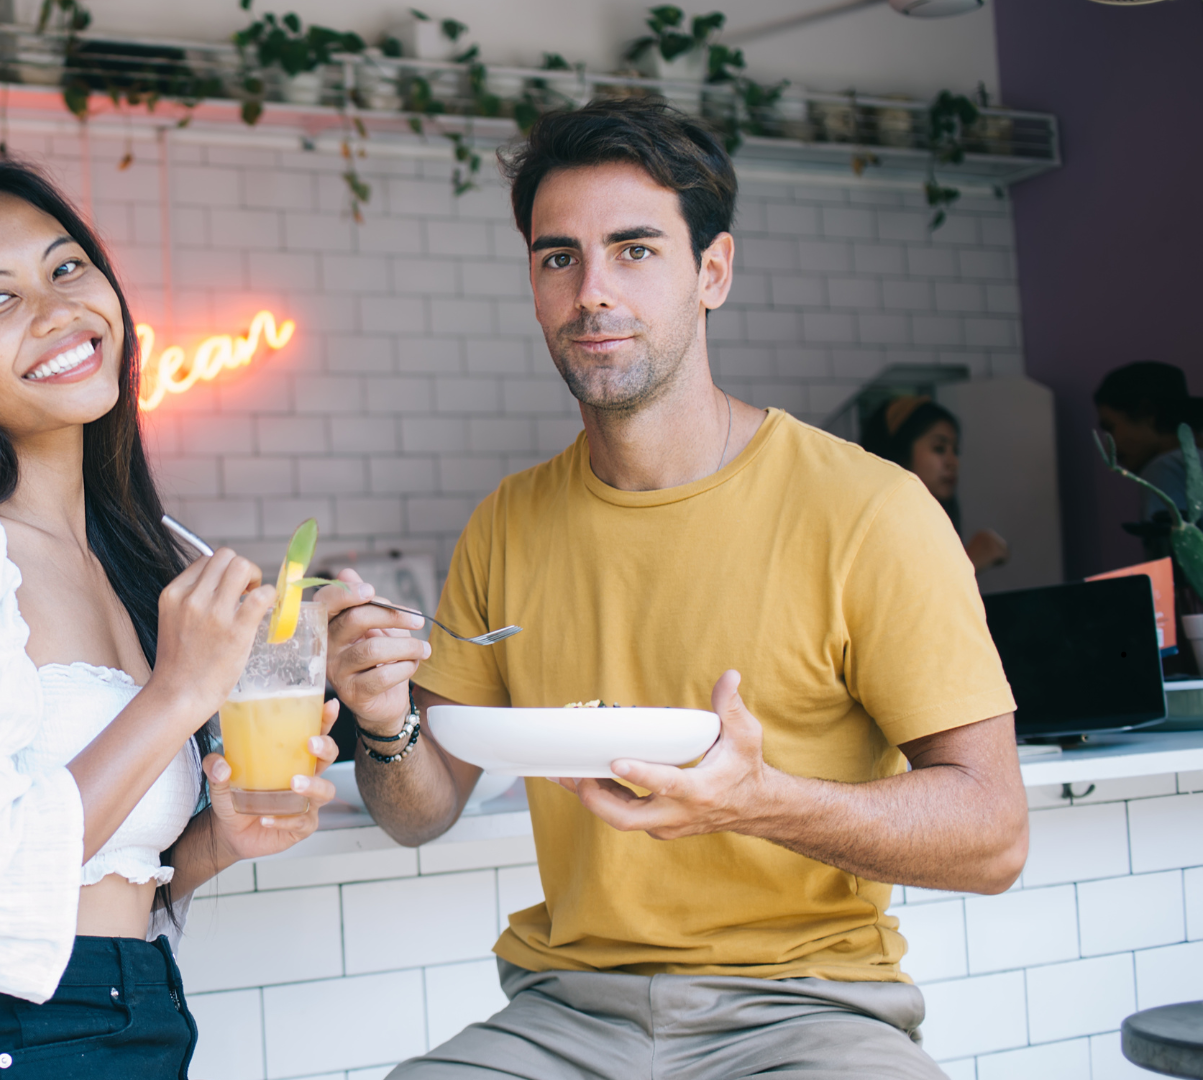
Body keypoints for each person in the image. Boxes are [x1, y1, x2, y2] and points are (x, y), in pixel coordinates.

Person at [320, 100, 1027, 1079]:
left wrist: (760, 800)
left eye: (636, 250)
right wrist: (383, 715)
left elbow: (993, 838)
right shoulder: (507, 522)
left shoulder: (869, 509)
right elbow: (421, 811)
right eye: (558, 257)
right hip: (565, 1015)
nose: (592, 293)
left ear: (713, 273)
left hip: (807, 1013)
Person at [0, 157, 339, 1079]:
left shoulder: (126, 555)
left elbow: (99, 881)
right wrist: (177, 691)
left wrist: (221, 839)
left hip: (138, 1013)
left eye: (65, 268)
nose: (58, 312)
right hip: (18, 1041)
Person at [865, 395, 1009, 572]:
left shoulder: (931, 522)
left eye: (955, 451)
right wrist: (969, 561)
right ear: (900, 453)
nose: (953, 462)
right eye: (939, 448)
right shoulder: (880, 526)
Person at [1094, 361, 1195, 522]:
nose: (1108, 447)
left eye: (1110, 428)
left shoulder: (1165, 468)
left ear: (1147, 413)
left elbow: (1173, 544)